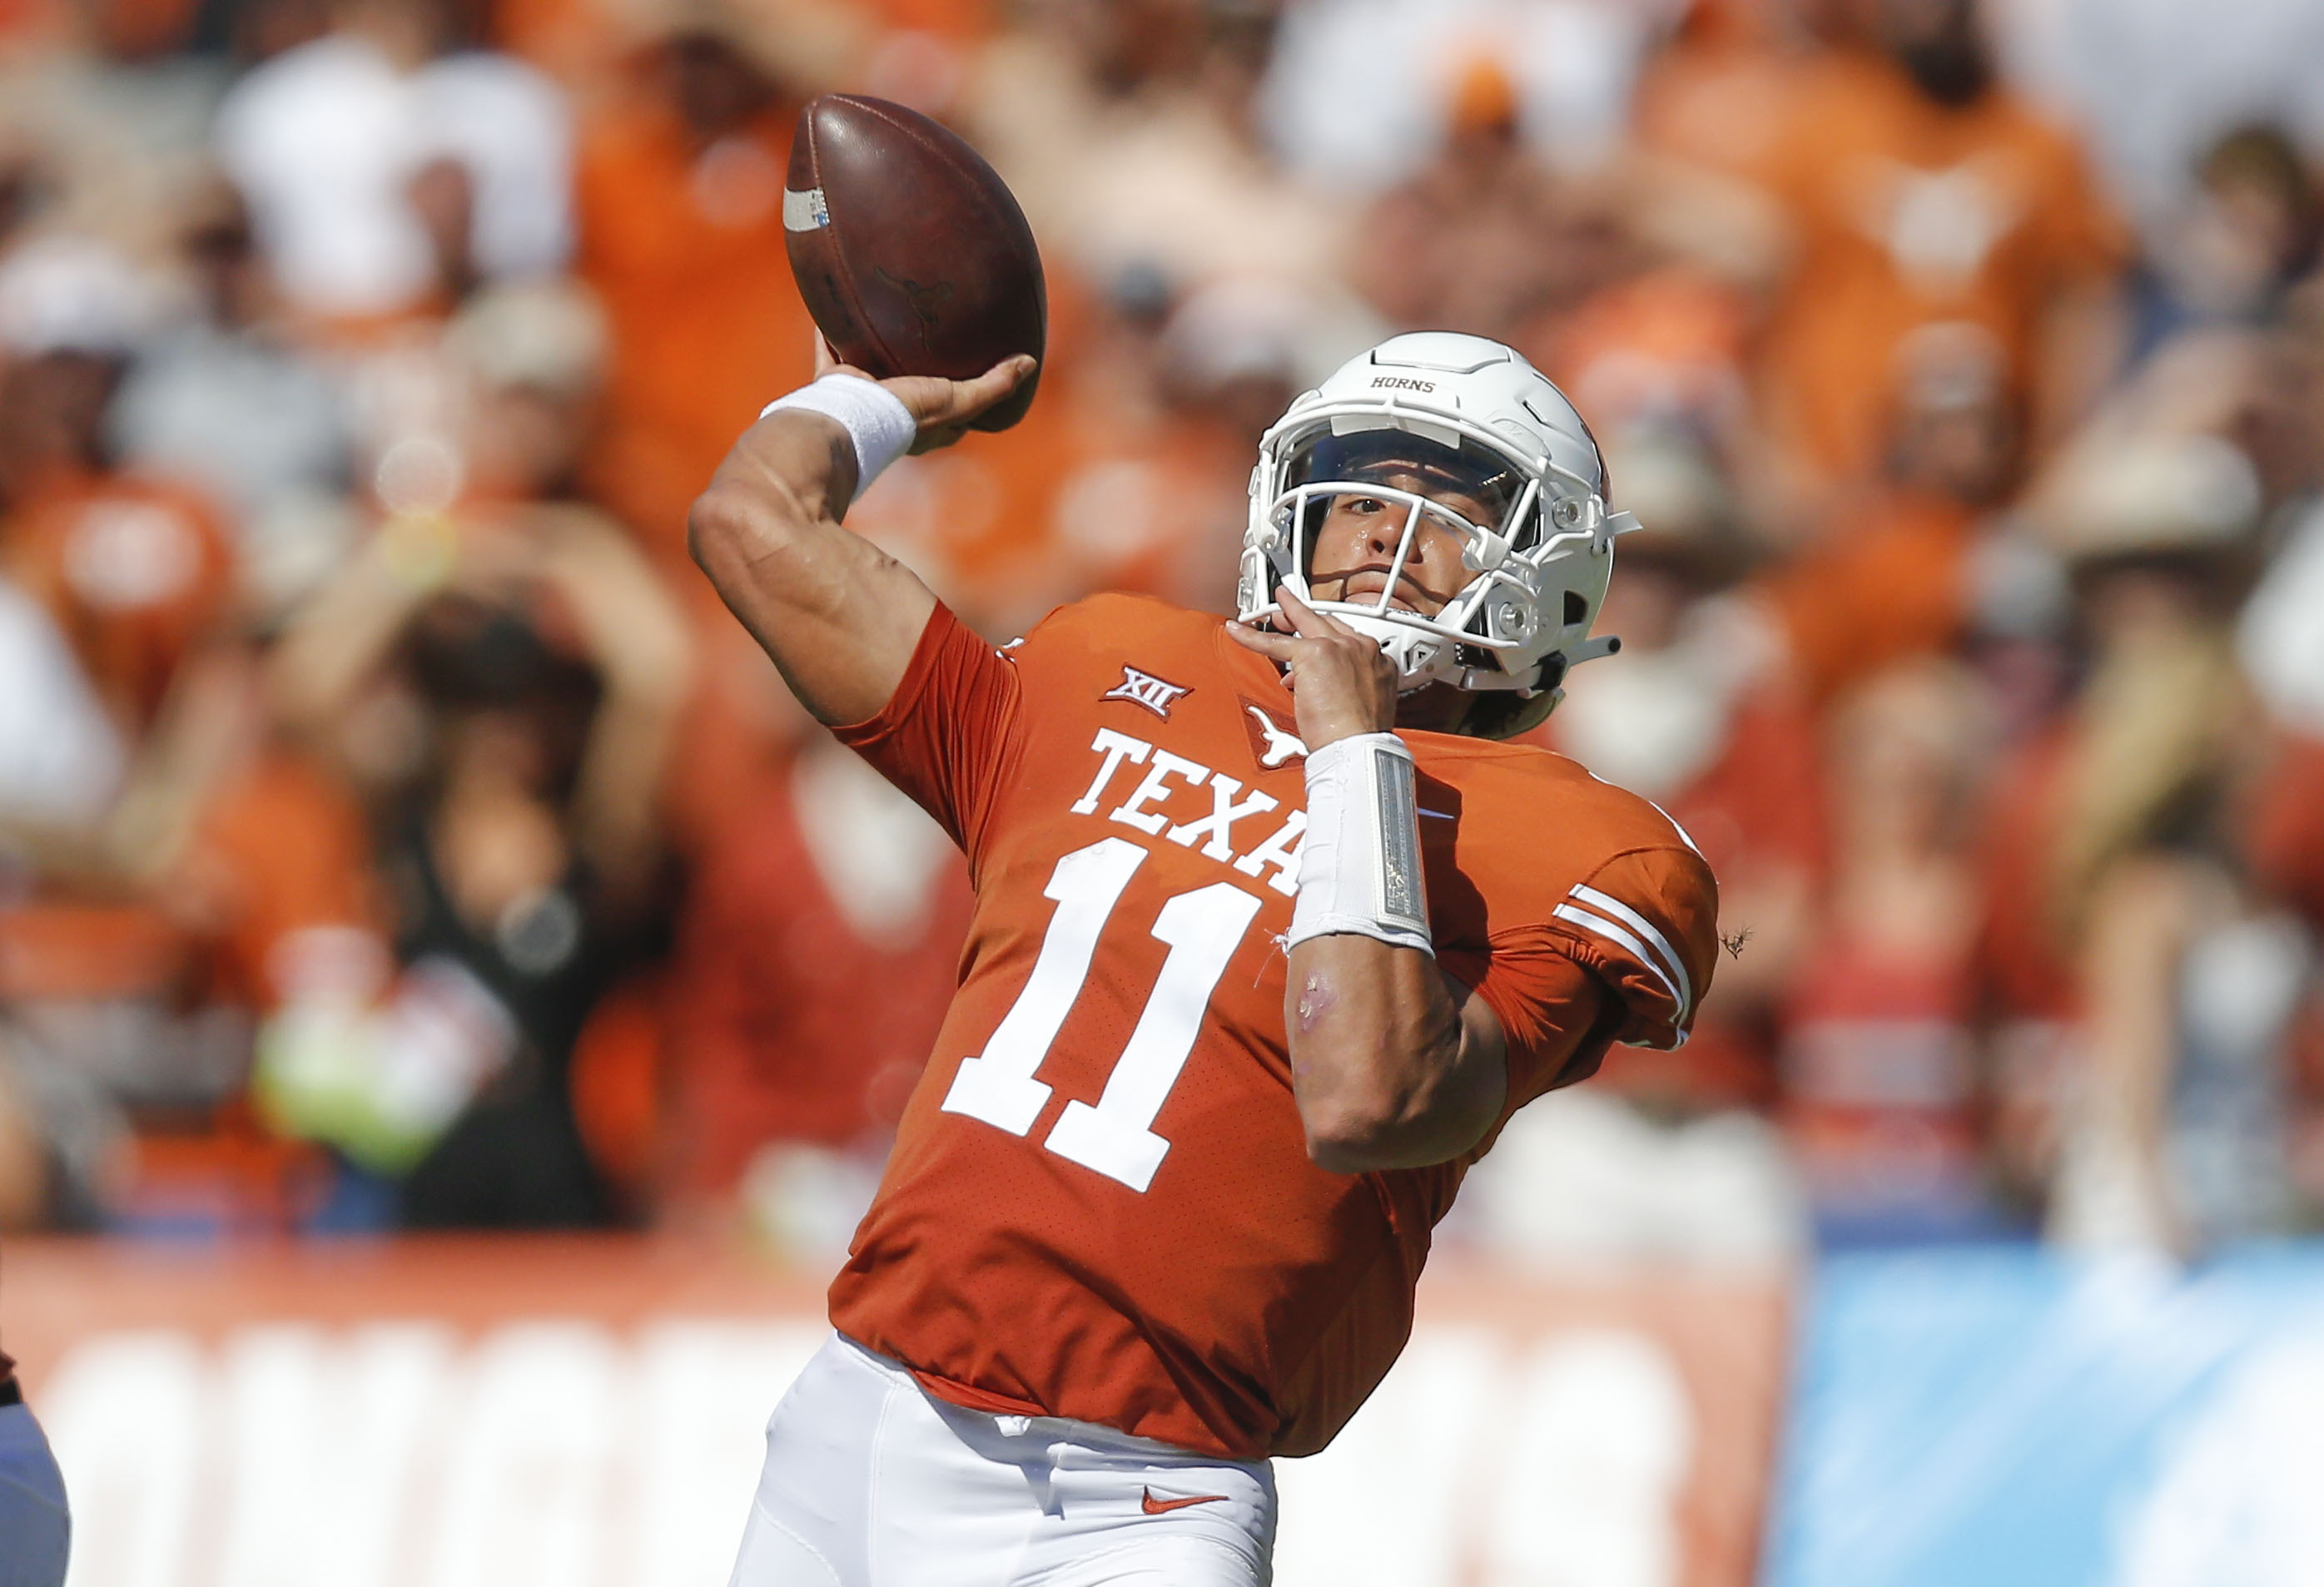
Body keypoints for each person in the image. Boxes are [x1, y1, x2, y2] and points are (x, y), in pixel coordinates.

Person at [690, 330, 1719, 1584]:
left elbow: (1371, 1098)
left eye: (1451, 506)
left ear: (1548, 578)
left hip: (1140, 1499)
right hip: (858, 1413)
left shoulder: (1574, 845)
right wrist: (865, 401)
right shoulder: (1108, 667)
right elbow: (752, 524)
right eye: (1357, 492)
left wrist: (1358, 758)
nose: (1385, 533)